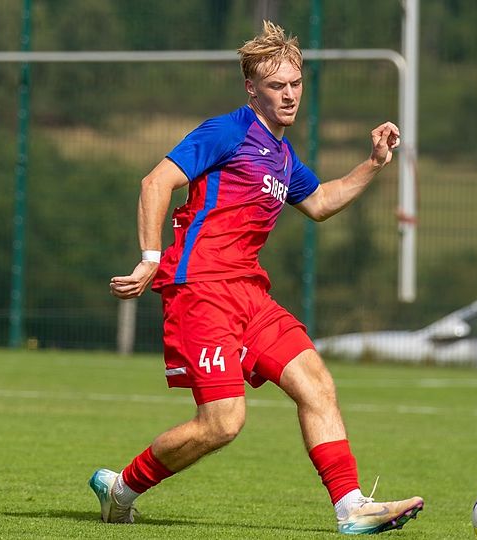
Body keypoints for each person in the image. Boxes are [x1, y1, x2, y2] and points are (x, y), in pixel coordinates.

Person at [90, 20, 423, 535]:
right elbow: (155, 182)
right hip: (200, 290)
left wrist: (374, 163)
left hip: (249, 292)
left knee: (316, 383)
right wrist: (150, 257)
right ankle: (121, 490)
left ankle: (351, 507)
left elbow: (320, 202)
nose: (289, 95)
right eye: (276, 85)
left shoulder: (283, 156)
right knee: (223, 422)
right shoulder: (227, 132)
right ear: (252, 88)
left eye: (295, 83)